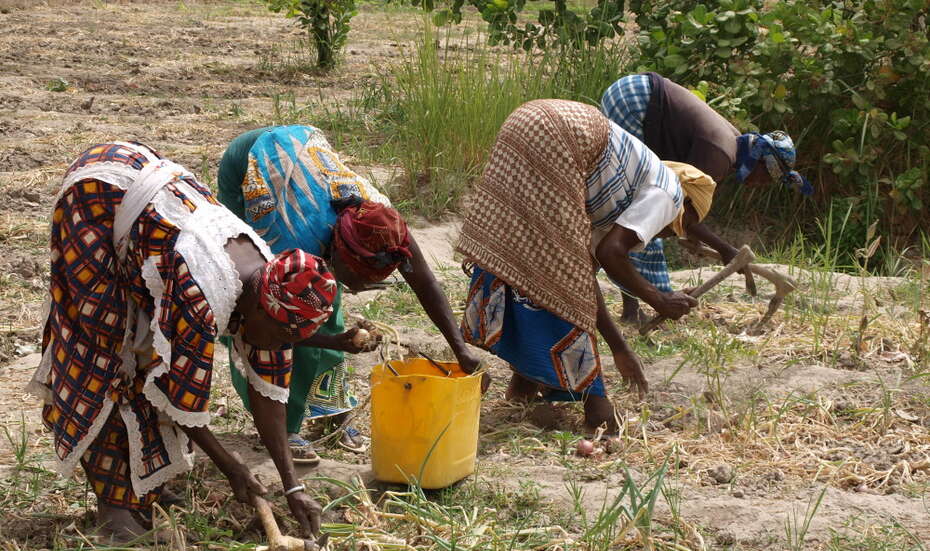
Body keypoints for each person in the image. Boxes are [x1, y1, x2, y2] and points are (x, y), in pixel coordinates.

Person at [27, 141, 336, 542]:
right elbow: (176, 395)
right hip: (96, 201)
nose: (278, 344)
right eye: (280, 336)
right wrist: (232, 467)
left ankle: (144, 484)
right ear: (262, 307)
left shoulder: (272, 288)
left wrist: (293, 487)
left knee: (142, 352)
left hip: (146, 196)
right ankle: (113, 506)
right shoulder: (202, 292)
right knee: (106, 354)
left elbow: (270, 392)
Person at [217, 125, 482, 460]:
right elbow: (265, 317)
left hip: (303, 156)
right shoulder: (288, 235)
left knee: (323, 304)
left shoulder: (381, 224)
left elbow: (426, 282)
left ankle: (329, 410)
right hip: (249, 163)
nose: (361, 289)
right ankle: (282, 426)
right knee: (280, 308)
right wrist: (332, 340)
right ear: (337, 251)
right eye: (358, 279)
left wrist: (460, 350)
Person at [456, 99, 716, 432]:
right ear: (684, 210)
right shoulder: (669, 193)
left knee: (525, 261)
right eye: (676, 227)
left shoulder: (607, 194)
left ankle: (523, 387)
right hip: (563, 134)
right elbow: (611, 254)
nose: (664, 234)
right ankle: (598, 410)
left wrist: (619, 346)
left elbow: (582, 278)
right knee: (557, 280)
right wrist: (659, 299)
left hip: (525, 121)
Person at [601, 72, 810, 323]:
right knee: (640, 216)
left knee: (644, 211)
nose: (760, 185)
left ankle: (641, 304)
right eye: (766, 178)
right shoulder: (719, 154)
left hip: (634, 93)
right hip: (634, 101)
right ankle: (636, 310)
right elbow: (678, 208)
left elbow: (686, 210)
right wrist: (725, 249)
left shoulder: (730, 147)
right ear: (760, 164)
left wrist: (700, 240)